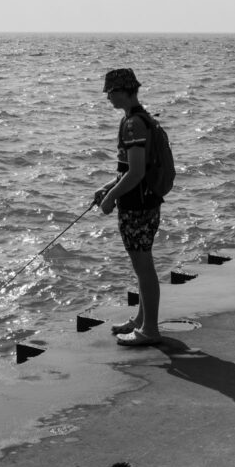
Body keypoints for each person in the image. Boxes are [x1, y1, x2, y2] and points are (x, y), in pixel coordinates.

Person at [93, 68, 163, 346]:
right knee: (142, 266)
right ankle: (141, 320)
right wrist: (107, 187)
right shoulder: (140, 118)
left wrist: (111, 199)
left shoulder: (133, 124)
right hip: (146, 202)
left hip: (138, 206)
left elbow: (135, 174)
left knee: (143, 268)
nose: (108, 97)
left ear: (122, 91)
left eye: (110, 92)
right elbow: (129, 170)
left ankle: (150, 330)